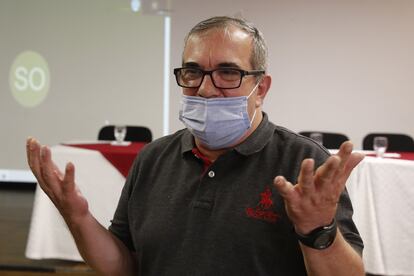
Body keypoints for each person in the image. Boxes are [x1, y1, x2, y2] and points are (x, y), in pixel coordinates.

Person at [26, 16, 365, 275]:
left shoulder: (303, 163)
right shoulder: (153, 157)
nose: (205, 89)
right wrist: (78, 218)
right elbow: (123, 265)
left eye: (228, 73)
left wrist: (318, 231)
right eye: (192, 72)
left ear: (261, 88)